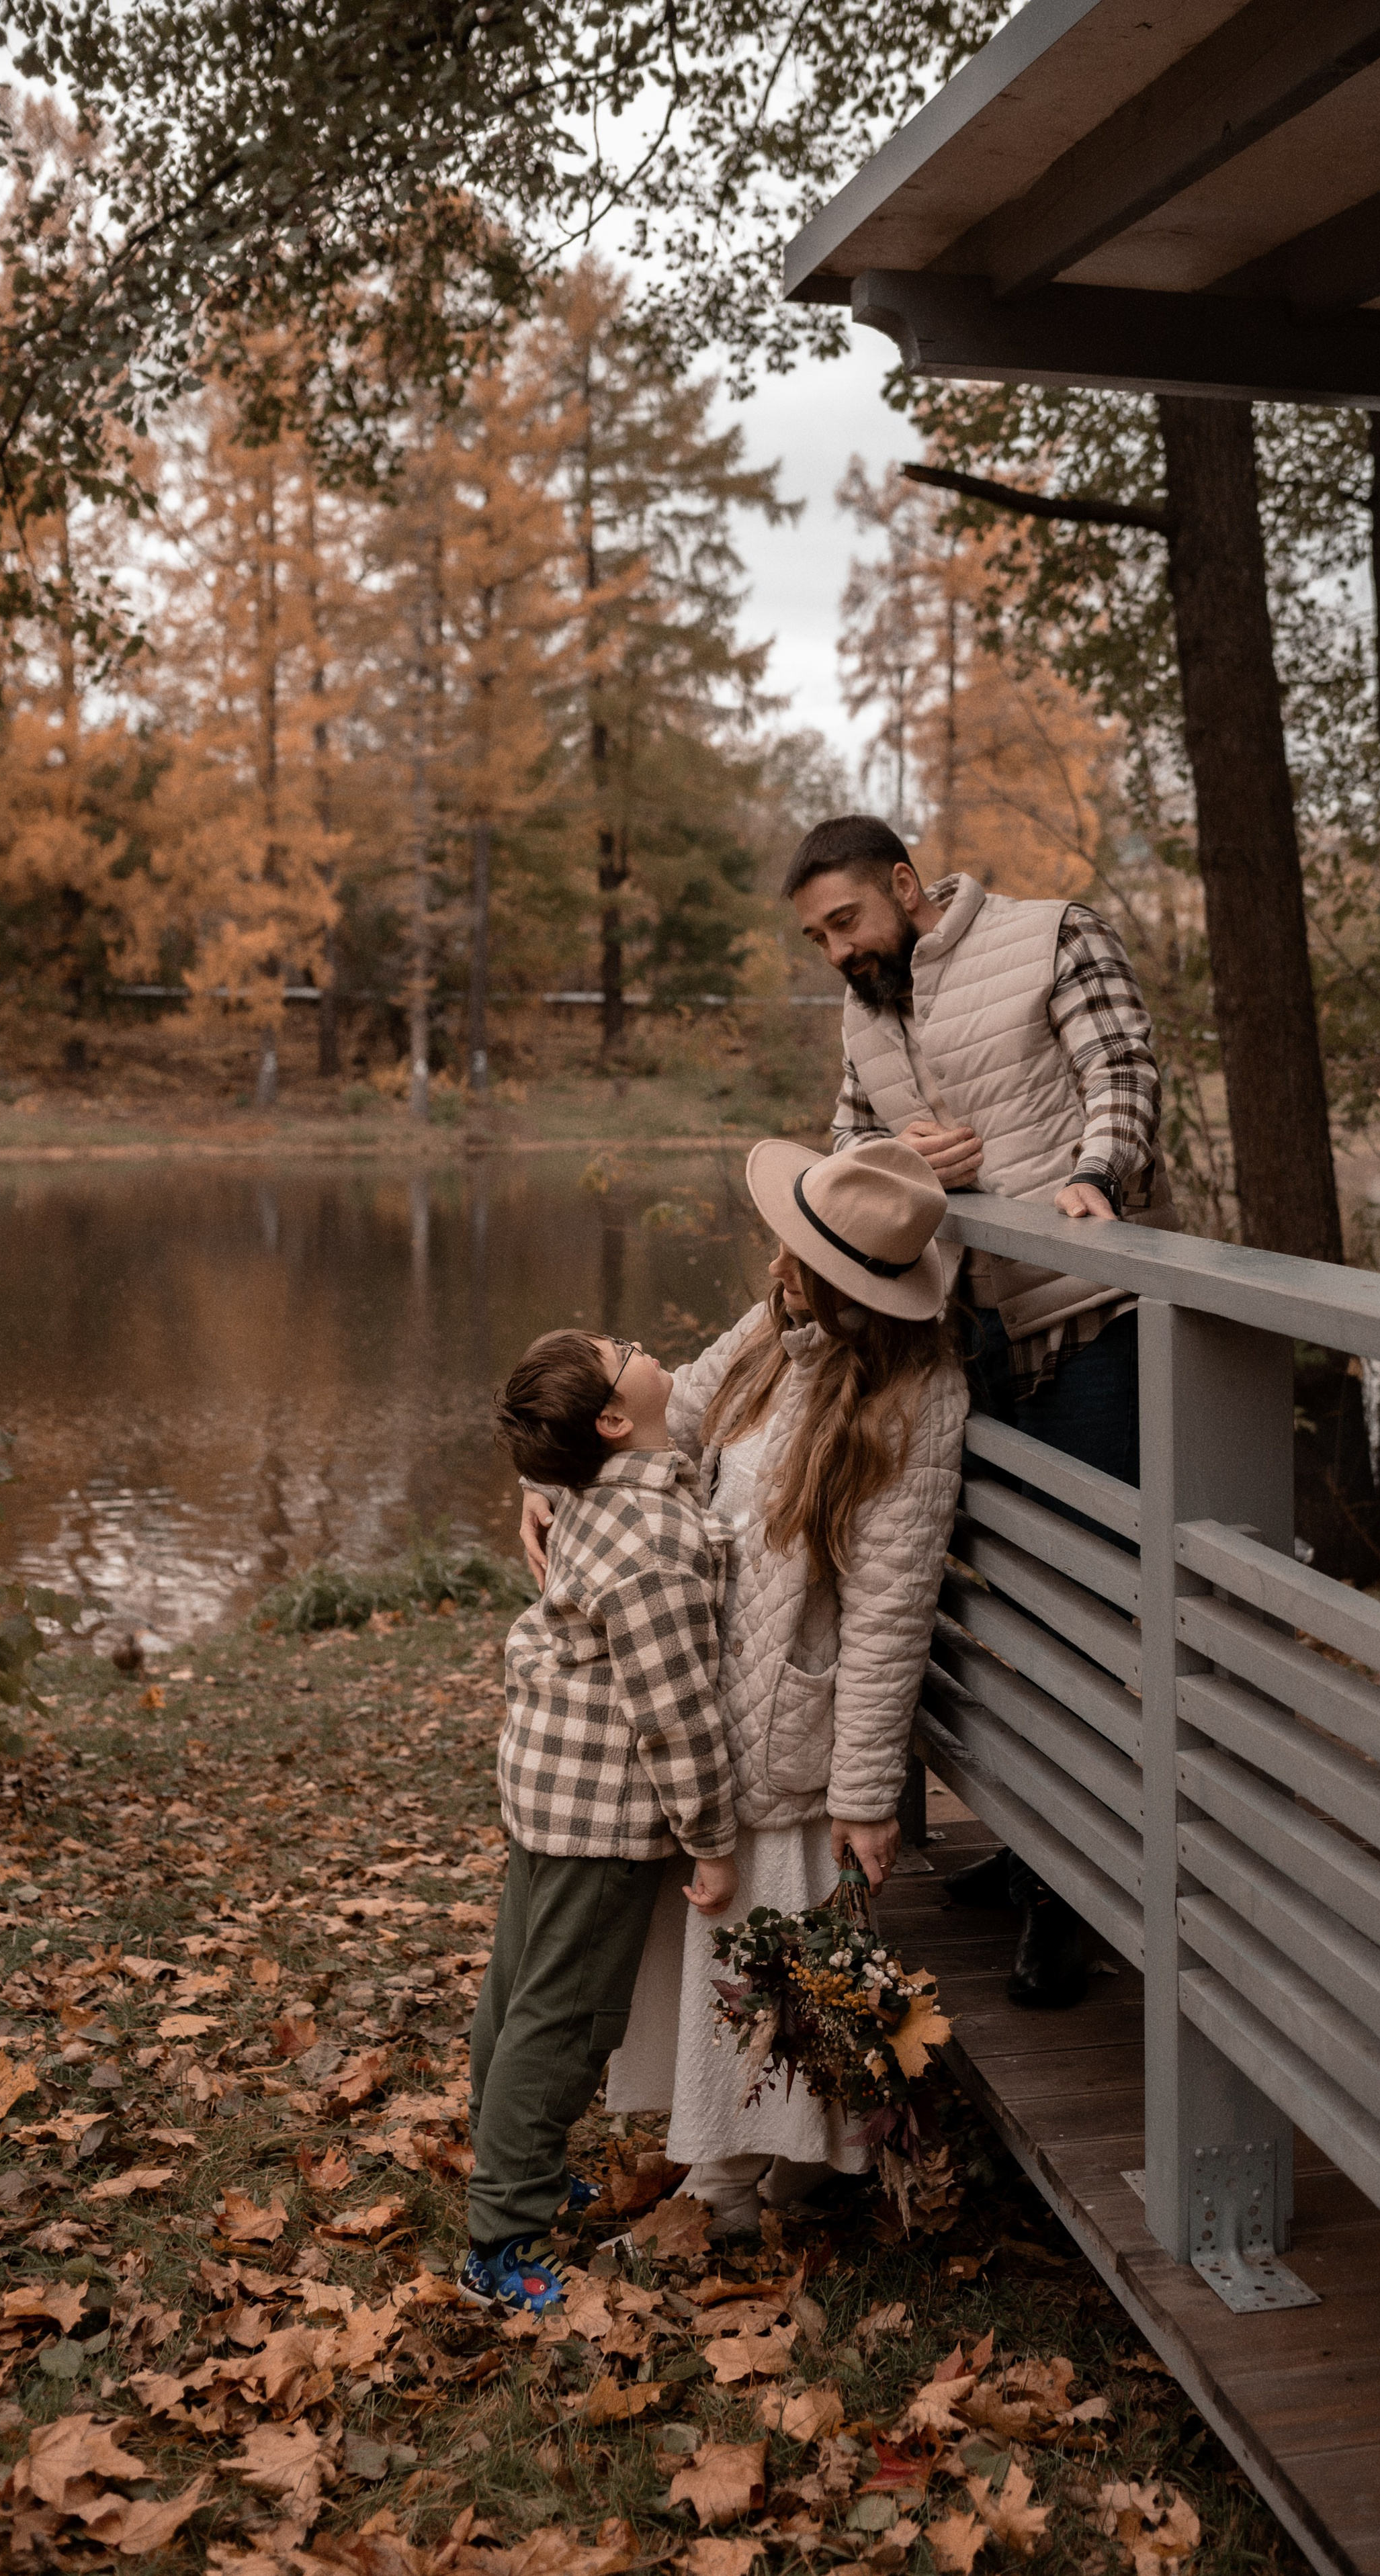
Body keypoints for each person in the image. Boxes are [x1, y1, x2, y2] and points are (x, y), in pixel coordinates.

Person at [523, 1135, 967, 2237]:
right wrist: (549, 1476)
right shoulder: (781, 1333)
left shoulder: (918, 1402)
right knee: (721, 1954)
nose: (773, 1266)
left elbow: (891, 1611)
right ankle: (756, 2162)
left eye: (795, 1254)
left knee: (767, 1954)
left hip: (791, 1722)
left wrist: (866, 1790)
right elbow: (661, 1418)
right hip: (712, 1692)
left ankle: (734, 2186)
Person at [787, 813, 1172, 2009]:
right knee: (1000, 1608)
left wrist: (1095, 1176)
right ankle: (1037, 1840)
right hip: (971, 1338)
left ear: (905, 886)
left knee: (1096, 1616)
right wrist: (899, 1153)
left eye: (846, 920)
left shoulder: (1054, 934)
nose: (838, 951)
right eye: (817, 937)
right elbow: (848, 1143)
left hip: (1095, 1321)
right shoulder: (871, 1007)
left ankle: (1077, 1897)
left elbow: (1122, 1073)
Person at [462, 1325, 738, 2315]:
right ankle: (501, 2235)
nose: (638, 1340)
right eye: (622, 1349)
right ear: (617, 1420)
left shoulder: (594, 1490)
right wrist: (711, 1838)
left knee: (517, 1987)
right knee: (567, 2018)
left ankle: (505, 2161)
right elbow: (677, 1713)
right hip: (601, 1810)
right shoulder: (653, 1546)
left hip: (548, 1785)